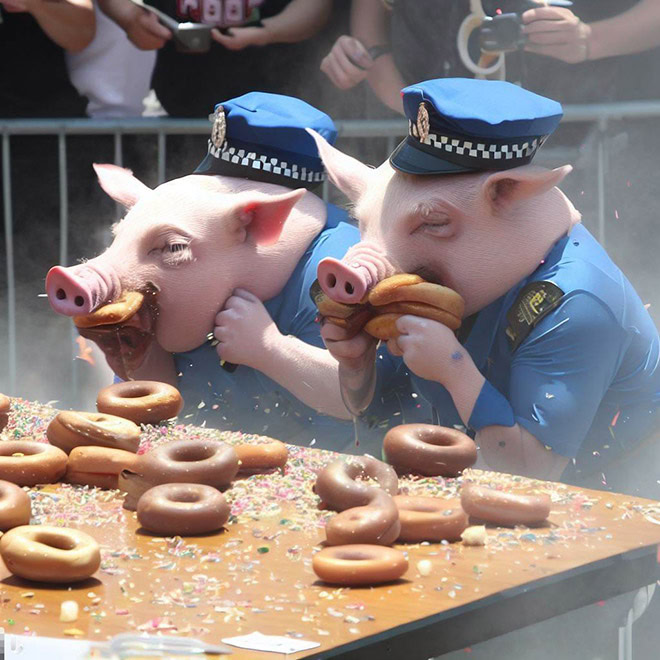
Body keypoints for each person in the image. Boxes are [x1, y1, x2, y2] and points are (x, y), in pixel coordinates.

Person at [314, 78, 660, 496]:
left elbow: (534, 473)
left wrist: (454, 368)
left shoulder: (573, 303)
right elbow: (374, 409)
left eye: (434, 223)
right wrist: (356, 363)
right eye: (367, 225)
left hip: (617, 519)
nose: (369, 266)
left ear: (509, 194)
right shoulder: (451, 290)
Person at [165, 92, 428, 452]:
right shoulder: (187, 241)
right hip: (202, 454)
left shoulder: (344, 261)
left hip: (328, 468)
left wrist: (270, 349)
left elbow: (365, 395)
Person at [98, 0, 333, 118]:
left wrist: (267, 32)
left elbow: (318, 5)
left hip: (280, 109)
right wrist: (129, 17)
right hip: (180, 105)